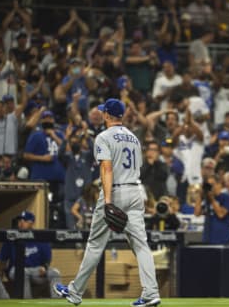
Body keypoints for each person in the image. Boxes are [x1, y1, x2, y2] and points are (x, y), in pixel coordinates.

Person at [53, 98, 160, 307]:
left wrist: (108, 201)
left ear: (107, 115)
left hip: (116, 191)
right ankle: (151, 293)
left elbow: (107, 169)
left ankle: (75, 292)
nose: (102, 114)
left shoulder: (103, 137)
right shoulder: (134, 138)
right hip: (136, 190)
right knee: (141, 245)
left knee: (95, 244)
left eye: (103, 112)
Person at [0, 211, 61, 299]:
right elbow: (3, 260)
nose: (20, 223)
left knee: (55, 273)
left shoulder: (40, 237)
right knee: (23, 273)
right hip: (17, 270)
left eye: (24, 221)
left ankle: (57, 302)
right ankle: (27, 302)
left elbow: (47, 259)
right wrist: (0, 276)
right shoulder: (11, 237)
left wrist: (44, 267)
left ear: (31, 223)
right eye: (20, 221)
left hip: (36, 271)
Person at [194, 174, 229, 245]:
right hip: (207, 239)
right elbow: (197, 213)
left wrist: (212, 199)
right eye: (208, 185)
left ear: (219, 185)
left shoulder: (226, 198)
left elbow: (221, 214)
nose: (210, 188)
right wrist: (200, 196)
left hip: (222, 239)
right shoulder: (207, 199)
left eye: (212, 185)